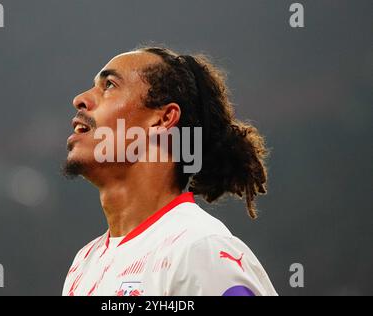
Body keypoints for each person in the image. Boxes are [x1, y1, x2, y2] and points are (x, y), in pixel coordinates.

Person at [62, 46, 277, 296]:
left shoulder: (199, 251)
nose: (80, 98)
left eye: (109, 85)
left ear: (163, 119)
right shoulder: (84, 264)